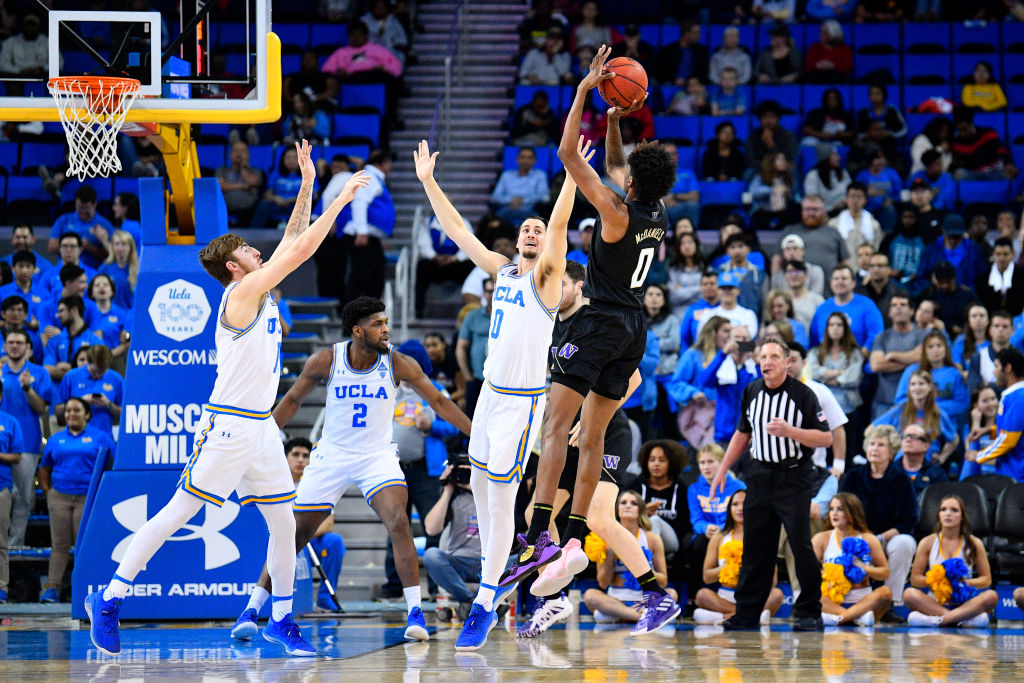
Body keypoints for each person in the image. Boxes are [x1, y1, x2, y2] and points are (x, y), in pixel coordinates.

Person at [84, 143, 370, 657]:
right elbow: (301, 250)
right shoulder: (239, 297)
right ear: (234, 268)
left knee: (285, 522)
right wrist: (340, 199)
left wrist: (306, 183)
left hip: (260, 428)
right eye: (247, 250)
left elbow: (289, 239)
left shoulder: (257, 288)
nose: (257, 252)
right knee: (177, 513)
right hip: (228, 426)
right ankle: (110, 598)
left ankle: (281, 617)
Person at [500, 46, 679, 636]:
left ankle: (536, 534)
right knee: (592, 435)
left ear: (628, 181)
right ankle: (572, 535)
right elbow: (617, 166)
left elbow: (564, 157)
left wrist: (582, 94)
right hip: (634, 329)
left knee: (555, 429)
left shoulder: (614, 210)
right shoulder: (656, 213)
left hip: (598, 322)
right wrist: (615, 118)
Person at [413, 128, 578, 650]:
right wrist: (428, 182)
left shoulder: (548, 280)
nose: (533, 232)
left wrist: (572, 173)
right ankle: (495, 586)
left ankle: (485, 603)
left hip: (524, 403)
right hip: (488, 397)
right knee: (480, 496)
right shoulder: (504, 273)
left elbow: (559, 226)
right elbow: (459, 229)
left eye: (537, 228)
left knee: (502, 503)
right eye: (526, 228)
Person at [233, 298, 471, 640]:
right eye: (377, 324)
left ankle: (415, 613)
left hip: (376, 456)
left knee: (399, 521)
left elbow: (439, 402)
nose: (386, 329)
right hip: (332, 454)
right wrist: (260, 443)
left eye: (386, 322)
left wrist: (475, 435)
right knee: (294, 534)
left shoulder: (397, 362)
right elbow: (293, 401)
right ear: (358, 331)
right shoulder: (327, 359)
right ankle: (252, 607)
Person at [517, 259, 643, 639]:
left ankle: (653, 591)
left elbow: (633, 378)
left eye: (561, 285)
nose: (554, 293)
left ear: (578, 286)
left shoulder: (597, 318)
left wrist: (592, 420)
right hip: (564, 437)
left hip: (603, 430)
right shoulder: (552, 326)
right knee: (535, 516)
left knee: (601, 519)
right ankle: (555, 596)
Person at [711, 338, 833, 631]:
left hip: (794, 478)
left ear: (786, 362)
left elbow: (825, 438)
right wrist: (721, 471)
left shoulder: (803, 395)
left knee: (800, 546)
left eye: (774, 356)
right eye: (763, 356)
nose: (767, 361)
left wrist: (790, 431)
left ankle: (809, 613)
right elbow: (742, 434)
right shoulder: (752, 391)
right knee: (755, 548)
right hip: (760, 476)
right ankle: (747, 614)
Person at [839, 424, 918, 621]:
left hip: (887, 537)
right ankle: (847, 600)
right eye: (872, 444)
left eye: (881, 445)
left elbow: (908, 519)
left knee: (905, 543)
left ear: (891, 452)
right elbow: (842, 510)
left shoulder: (901, 480)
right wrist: (863, 538)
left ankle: (889, 603)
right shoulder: (852, 477)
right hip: (856, 536)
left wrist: (879, 538)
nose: (875, 448)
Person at [39, 395, 110, 605]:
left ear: (87, 414)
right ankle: (52, 589)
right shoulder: (56, 439)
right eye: (68, 410)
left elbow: (111, 464)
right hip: (59, 497)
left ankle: (83, 590)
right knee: (59, 545)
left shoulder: (101, 437)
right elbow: (44, 467)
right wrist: (48, 492)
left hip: (87, 498)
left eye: (77, 410)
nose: (71, 414)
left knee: (84, 545)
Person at [582, 490, 678, 626]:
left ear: (641, 510)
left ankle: (623, 616)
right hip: (616, 600)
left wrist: (643, 570)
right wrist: (609, 554)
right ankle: (641, 617)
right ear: (616, 509)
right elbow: (603, 583)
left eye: (634, 503)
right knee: (590, 595)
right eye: (623, 503)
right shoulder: (603, 538)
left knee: (671, 594)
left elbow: (663, 581)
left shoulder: (652, 539)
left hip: (645, 600)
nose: (628, 506)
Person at [903, 495, 998, 628]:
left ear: (962, 517)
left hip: (965, 603)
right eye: (943, 509)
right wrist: (939, 580)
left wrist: (963, 583)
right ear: (939, 515)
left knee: (991, 596)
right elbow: (915, 579)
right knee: (909, 594)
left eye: (954, 510)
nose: (948, 513)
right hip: (935, 602)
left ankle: (938, 620)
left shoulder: (974, 543)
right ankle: (961, 620)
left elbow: (986, 579)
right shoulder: (928, 542)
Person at [692, 489, 783, 626]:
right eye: (735, 504)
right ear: (729, 509)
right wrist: (728, 568)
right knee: (702, 595)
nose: (740, 508)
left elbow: (773, 581)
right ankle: (746, 616)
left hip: (754, 596)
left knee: (777, 594)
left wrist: (750, 569)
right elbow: (706, 577)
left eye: (744, 503)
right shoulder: (719, 538)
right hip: (725, 596)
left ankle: (724, 618)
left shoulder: (763, 538)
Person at [281, 437, 346, 612]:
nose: (301, 460)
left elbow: (328, 524)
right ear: (285, 457)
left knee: (334, 541)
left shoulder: (317, 484)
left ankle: (325, 598)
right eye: (295, 454)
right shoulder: (275, 483)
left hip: (308, 540)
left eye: (305, 455)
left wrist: (300, 534)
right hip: (280, 539)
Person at [1, 329, 52, 550]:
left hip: (28, 444)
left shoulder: (39, 373)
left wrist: (27, 388)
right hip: (2, 444)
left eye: (19, 342)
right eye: (10, 342)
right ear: (4, 346)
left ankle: (15, 544)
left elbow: (42, 409)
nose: (14, 346)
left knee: (21, 497)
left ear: (28, 347)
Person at [812, 493, 892, 626]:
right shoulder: (821, 538)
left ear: (852, 512)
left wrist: (863, 567)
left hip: (862, 601)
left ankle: (840, 618)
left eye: (840, 509)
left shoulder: (868, 538)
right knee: (811, 594)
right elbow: (808, 572)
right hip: (832, 600)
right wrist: (827, 575)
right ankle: (856, 619)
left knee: (885, 593)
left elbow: (885, 573)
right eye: (831, 509)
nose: (834, 513)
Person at [330, 149, 394, 306]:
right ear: (384, 163)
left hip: (370, 238)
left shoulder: (375, 178)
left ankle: (367, 318)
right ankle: (349, 323)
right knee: (360, 280)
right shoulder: (371, 177)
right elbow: (359, 202)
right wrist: (362, 233)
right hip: (361, 238)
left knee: (375, 279)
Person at [422, 455, 481, 621]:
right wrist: (447, 489)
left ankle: (473, 604)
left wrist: (476, 486)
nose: (463, 476)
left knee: (522, 558)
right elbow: (431, 529)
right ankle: (470, 602)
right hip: (458, 562)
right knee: (431, 555)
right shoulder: (452, 497)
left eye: (468, 472)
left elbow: (508, 521)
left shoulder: (491, 493)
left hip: (488, 563)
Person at [874, 369, 959, 464]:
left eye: (921, 384)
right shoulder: (899, 410)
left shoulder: (938, 414)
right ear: (909, 388)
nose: (917, 388)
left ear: (930, 386)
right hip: (900, 464)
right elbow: (871, 430)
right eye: (913, 384)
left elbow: (954, 439)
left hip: (927, 465)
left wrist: (942, 458)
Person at [788, 342, 847, 475]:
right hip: (780, 470)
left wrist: (839, 465)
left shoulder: (819, 390)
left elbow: (837, 428)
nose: (789, 365)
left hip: (814, 468)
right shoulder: (769, 393)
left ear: (804, 363)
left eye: (793, 360)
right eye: (785, 360)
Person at [668, 315, 726, 448]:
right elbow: (675, 384)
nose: (729, 336)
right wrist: (693, 392)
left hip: (723, 416)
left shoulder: (728, 356)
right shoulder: (693, 355)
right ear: (713, 332)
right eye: (725, 331)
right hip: (699, 416)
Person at [869, 294, 928, 418]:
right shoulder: (882, 337)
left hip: (915, 401)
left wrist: (893, 355)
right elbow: (876, 365)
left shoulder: (922, 335)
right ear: (889, 312)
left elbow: (920, 358)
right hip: (884, 401)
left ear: (912, 311)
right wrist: (910, 360)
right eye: (894, 305)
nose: (898, 308)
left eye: (903, 305)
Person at [971, 348, 1024, 480]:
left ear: (1008, 368)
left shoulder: (1018, 397)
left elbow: (1008, 440)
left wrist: (979, 455)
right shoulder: (1014, 395)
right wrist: (990, 430)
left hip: (1018, 475)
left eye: (996, 366)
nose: (994, 372)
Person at [809, 265, 884, 354]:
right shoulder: (822, 308)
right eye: (836, 279)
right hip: (826, 362)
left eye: (844, 278)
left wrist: (858, 359)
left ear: (853, 283)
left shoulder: (867, 305)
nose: (839, 282)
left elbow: (876, 335)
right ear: (830, 284)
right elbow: (814, 339)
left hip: (861, 361)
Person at [894, 331, 969, 418]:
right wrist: (920, 407)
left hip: (946, 423)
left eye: (939, 346)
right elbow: (900, 400)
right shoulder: (912, 371)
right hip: (916, 421)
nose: (935, 350)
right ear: (924, 351)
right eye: (930, 347)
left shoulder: (954, 373)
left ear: (945, 349)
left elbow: (962, 403)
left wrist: (933, 408)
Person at [55, 344, 122, 441]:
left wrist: (109, 405)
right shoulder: (71, 377)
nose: (98, 376)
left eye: (102, 372)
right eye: (95, 372)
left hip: (104, 438)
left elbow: (127, 414)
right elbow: (57, 411)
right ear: (89, 362)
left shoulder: (116, 379)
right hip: (74, 439)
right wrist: (80, 401)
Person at [808, 312, 863, 417]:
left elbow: (853, 377)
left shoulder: (854, 353)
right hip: (821, 406)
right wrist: (838, 373)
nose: (835, 328)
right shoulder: (816, 352)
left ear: (845, 328)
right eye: (831, 325)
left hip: (848, 406)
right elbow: (812, 373)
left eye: (839, 325)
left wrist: (824, 378)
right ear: (827, 328)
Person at [781, 196, 849, 280]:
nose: (811, 213)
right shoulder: (790, 231)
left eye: (815, 209)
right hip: (796, 288)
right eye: (807, 209)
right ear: (802, 211)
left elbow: (845, 262)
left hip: (830, 288)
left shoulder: (834, 233)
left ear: (823, 212)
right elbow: (777, 260)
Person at [42, 296, 103, 383]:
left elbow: (98, 371)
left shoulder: (95, 341)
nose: (58, 315)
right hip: (59, 393)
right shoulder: (55, 340)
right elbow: (47, 370)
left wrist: (70, 367)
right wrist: (80, 370)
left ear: (74, 310)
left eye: (62, 311)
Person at [950, 108, 1018, 181]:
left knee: (1010, 174)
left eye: (964, 129)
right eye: (959, 131)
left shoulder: (988, 133)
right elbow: (956, 163)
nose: (962, 134)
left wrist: (1008, 163)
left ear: (971, 125)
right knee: (958, 174)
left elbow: (1001, 149)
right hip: (973, 174)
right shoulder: (956, 142)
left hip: (993, 171)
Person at [490, 147, 550, 227]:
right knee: (492, 224)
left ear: (534, 161)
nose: (525, 160)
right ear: (517, 159)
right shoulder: (506, 175)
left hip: (530, 210)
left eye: (529, 158)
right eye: (522, 157)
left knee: (540, 223)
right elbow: (495, 197)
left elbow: (544, 196)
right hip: (508, 209)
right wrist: (511, 200)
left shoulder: (540, 175)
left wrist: (523, 201)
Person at [696, 271, 758, 340]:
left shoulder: (748, 315)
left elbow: (748, 343)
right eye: (723, 288)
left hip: (740, 350)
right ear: (718, 291)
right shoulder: (708, 315)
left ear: (738, 290)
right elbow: (703, 340)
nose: (727, 291)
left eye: (730, 288)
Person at [216, 141, 265, 227]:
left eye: (242, 151)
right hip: (226, 206)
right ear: (230, 154)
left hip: (250, 208)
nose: (239, 154)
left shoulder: (256, 171)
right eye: (236, 150)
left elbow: (252, 182)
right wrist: (244, 186)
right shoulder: (222, 170)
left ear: (248, 154)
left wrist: (243, 168)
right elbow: (221, 186)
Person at [748, 153, 799, 232]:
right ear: (771, 163)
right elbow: (753, 192)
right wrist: (772, 190)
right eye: (780, 160)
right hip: (764, 211)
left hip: (784, 211)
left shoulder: (789, 177)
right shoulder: (760, 177)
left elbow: (796, 194)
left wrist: (788, 192)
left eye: (784, 160)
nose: (784, 162)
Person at [746, 100, 797, 175]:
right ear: (759, 119)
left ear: (778, 118)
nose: (768, 120)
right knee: (748, 173)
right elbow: (750, 160)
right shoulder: (753, 136)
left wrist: (771, 145)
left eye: (772, 116)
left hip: (783, 167)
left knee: (792, 171)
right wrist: (768, 166)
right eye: (764, 116)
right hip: (760, 168)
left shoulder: (788, 136)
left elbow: (789, 159)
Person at [897, 423, 949, 497]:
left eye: (913, 437)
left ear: (926, 446)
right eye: (904, 437)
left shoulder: (937, 474)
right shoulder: (889, 471)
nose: (908, 439)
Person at [977, 237, 1024, 316]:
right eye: (998, 254)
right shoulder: (983, 278)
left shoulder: (1022, 277)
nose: (1002, 258)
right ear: (993, 254)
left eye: (1006, 254)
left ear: (1013, 254)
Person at [968, 311, 1014, 392]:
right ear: (990, 330)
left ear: (1012, 331)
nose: (1000, 329)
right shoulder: (978, 358)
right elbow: (973, 391)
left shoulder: (1020, 357)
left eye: (1005, 326)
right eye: (996, 326)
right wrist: (1007, 385)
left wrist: (988, 385)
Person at [0, 252, 46, 326]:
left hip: (35, 336)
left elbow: (50, 321)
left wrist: (38, 324)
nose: (24, 271)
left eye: (28, 266)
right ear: (13, 268)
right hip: (8, 335)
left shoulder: (44, 294)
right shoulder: (1, 292)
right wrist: (13, 322)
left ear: (35, 269)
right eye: (20, 266)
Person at [660, 142, 700, 226]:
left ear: (677, 156)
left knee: (693, 205)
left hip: (683, 207)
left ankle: (691, 234)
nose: (671, 157)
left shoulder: (689, 174)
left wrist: (674, 196)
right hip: (663, 209)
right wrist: (663, 201)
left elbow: (695, 197)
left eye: (673, 154)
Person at [804, 146, 852, 217]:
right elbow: (812, 200)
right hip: (824, 215)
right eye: (835, 155)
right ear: (825, 157)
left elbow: (851, 191)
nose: (839, 158)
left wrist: (845, 202)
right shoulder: (813, 176)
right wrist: (832, 208)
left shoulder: (843, 173)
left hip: (846, 212)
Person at [98, 230, 139, 312]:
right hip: (111, 314)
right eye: (117, 244)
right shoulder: (104, 269)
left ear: (130, 247)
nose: (120, 248)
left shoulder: (139, 270)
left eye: (124, 244)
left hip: (132, 315)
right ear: (112, 247)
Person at [657, 22, 708, 86]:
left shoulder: (701, 51)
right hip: (671, 83)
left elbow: (703, 72)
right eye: (696, 32)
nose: (699, 36)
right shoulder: (669, 50)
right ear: (686, 33)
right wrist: (674, 80)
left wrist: (689, 81)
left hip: (693, 85)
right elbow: (662, 71)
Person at [665, 229, 705, 311]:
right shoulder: (673, 270)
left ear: (696, 245)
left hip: (702, 310)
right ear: (678, 247)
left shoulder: (705, 268)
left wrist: (683, 289)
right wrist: (700, 288)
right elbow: (674, 297)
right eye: (683, 243)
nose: (687, 246)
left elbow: (707, 294)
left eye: (690, 242)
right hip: (679, 313)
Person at [954, 304, 990, 370]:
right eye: (974, 316)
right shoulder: (960, 341)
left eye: (982, 315)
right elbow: (958, 368)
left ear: (988, 320)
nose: (978, 319)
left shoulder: (995, 341)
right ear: (969, 320)